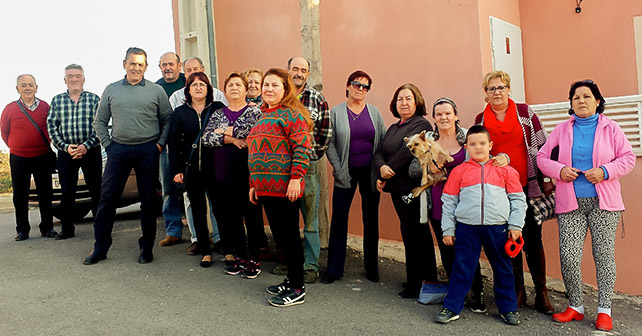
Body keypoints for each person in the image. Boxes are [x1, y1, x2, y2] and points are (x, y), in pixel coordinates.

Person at [537, 80, 635, 332]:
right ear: (570, 104)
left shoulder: (611, 128)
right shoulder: (561, 130)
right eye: (576, 98)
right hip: (570, 203)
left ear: (598, 101)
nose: (581, 101)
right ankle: (576, 306)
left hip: (605, 204)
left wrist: (604, 171)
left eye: (586, 96)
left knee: (603, 256)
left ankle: (604, 310)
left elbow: (628, 158)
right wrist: (560, 170)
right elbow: (542, 157)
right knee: (569, 257)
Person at [474, 70, 554, 314]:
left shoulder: (525, 112)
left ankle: (541, 292)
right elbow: (477, 153)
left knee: (533, 238)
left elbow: (543, 145)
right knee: (509, 239)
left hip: (528, 186)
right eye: (491, 89)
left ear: (508, 89)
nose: (497, 92)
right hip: (499, 190)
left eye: (501, 87)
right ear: (485, 94)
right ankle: (518, 288)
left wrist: (548, 176)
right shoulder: (480, 120)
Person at [83, 47, 172, 265]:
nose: (136, 68)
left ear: (146, 67)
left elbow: (168, 119)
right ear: (124, 64)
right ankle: (100, 247)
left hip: (148, 150)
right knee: (107, 200)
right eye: (132, 63)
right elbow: (99, 121)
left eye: (140, 64)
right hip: (118, 151)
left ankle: (146, 247)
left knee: (149, 201)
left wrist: (159, 145)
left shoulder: (156, 91)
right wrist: (109, 146)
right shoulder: (112, 90)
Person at [435, 125, 526, 326]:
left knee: (503, 269)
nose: (478, 147)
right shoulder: (459, 172)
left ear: (490, 145)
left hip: (498, 228)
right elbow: (449, 202)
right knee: (462, 268)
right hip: (467, 228)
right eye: (473, 144)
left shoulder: (506, 171)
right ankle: (451, 307)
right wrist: (448, 229)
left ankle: (508, 309)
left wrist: (515, 225)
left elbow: (518, 200)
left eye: (482, 143)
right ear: (467, 146)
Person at [408, 98, 488, 312]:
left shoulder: (468, 138)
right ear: (434, 118)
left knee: (469, 250)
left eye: (447, 113)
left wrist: (451, 172)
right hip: (438, 204)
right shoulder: (427, 139)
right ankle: (457, 294)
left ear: (455, 115)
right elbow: (413, 171)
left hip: (465, 204)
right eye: (439, 114)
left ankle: (478, 292)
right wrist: (429, 168)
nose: (443, 117)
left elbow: (481, 164)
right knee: (447, 251)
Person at [247, 68, 312, 307]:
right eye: (266, 85)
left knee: (290, 238)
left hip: (285, 188)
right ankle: (290, 279)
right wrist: (254, 184)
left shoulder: (291, 115)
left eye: (275, 85)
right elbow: (256, 152)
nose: (269, 89)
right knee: (282, 239)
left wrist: (296, 178)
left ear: (285, 90)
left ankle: (297, 288)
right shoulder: (262, 115)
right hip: (265, 189)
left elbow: (302, 148)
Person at [322, 70, 385, 284]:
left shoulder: (374, 113)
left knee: (371, 220)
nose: (360, 89)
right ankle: (334, 269)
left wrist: (380, 169)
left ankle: (372, 268)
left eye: (365, 86)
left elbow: (382, 142)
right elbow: (329, 143)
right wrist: (338, 168)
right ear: (348, 86)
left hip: (370, 173)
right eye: (357, 84)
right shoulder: (336, 112)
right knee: (339, 219)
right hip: (345, 173)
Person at [372, 83, 435, 298]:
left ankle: (423, 282)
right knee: (408, 232)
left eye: (408, 98)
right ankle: (414, 279)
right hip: (397, 188)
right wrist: (381, 167)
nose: (404, 103)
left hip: (413, 189)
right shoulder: (393, 128)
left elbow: (407, 152)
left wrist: (387, 169)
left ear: (417, 101)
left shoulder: (421, 124)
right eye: (400, 99)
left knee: (418, 234)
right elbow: (379, 151)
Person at [272, 56, 330, 284]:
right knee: (286, 219)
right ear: (287, 70)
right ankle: (289, 262)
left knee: (310, 219)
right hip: (279, 167)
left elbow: (325, 133)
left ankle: (310, 266)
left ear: (308, 74)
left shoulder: (316, 99)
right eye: (294, 68)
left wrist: (312, 156)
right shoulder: (278, 97)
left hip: (307, 166)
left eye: (303, 70)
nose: (298, 73)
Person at [201, 72, 262, 278]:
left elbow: (252, 131)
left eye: (238, 84)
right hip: (223, 174)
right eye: (230, 85)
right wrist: (233, 139)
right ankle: (240, 257)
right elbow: (207, 138)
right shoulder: (218, 112)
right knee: (231, 219)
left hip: (248, 174)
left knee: (252, 218)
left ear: (246, 89)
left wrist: (223, 132)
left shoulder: (255, 112)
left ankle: (254, 259)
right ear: (225, 91)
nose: (234, 88)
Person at [168, 72, 225, 268]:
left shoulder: (218, 109)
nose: (199, 87)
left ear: (209, 89)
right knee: (198, 211)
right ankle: (205, 251)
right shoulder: (180, 113)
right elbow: (173, 144)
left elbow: (227, 135)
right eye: (194, 85)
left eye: (203, 84)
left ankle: (227, 249)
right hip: (191, 169)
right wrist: (176, 170)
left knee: (220, 209)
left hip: (217, 168)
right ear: (188, 90)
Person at [47, 64, 102, 240]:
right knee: (67, 191)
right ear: (65, 80)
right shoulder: (57, 101)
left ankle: (101, 226)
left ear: (83, 79)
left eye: (77, 75)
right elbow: (51, 127)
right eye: (70, 76)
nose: (74, 79)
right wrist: (64, 146)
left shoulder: (94, 99)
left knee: (96, 189)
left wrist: (86, 145)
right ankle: (67, 229)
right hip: (66, 152)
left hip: (91, 150)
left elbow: (100, 125)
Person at [1, 74, 57, 241]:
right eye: (23, 85)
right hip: (19, 158)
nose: (27, 88)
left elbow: (52, 127)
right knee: (20, 195)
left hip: (42, 156)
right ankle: (22, 230)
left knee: (45, 194)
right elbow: (4, 132)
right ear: (17, 89)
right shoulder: (10, 109)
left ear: (36, 87)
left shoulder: (46, 107)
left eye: (30, 84)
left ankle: (47, 228)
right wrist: (16, 146)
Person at [156, 52, 188, 247]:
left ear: (179, 65)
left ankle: (198, 232)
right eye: (164, 65)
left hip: (189, 146)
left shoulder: (189, 83)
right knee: (168, 189)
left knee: (192, 190)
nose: (167, 68)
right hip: (166, 146)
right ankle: (173, 231)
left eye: (171, 64)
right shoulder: (156, 88)